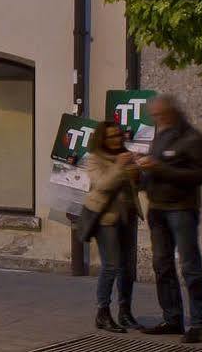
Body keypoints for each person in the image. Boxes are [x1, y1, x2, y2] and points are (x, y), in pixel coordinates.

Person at [137, 94, 202, 343]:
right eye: (154, 116)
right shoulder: (161, 136)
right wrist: (139, 174)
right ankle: (172, 318)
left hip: (181, 209)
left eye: (160, 115)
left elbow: (200, 175)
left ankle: (199, 324)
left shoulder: (193, 138)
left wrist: (158, 168)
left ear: (172, 112)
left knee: (190, 266)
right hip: (157, 209)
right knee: (162, 265)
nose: (156, 119)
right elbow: (153, 170)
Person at [83, 120, 141, 331]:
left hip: (128, 216)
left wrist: (138, 172)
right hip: (106, 219)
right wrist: (120, 165)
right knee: (111, 265)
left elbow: (134, 185)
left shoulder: (125, 156)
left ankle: (125, 312)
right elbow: (103, 185)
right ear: (102, 139)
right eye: (111, 136)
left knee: (127, 268)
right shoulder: (94, 159)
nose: (117, 139)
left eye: (118, 135)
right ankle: (102, 313)